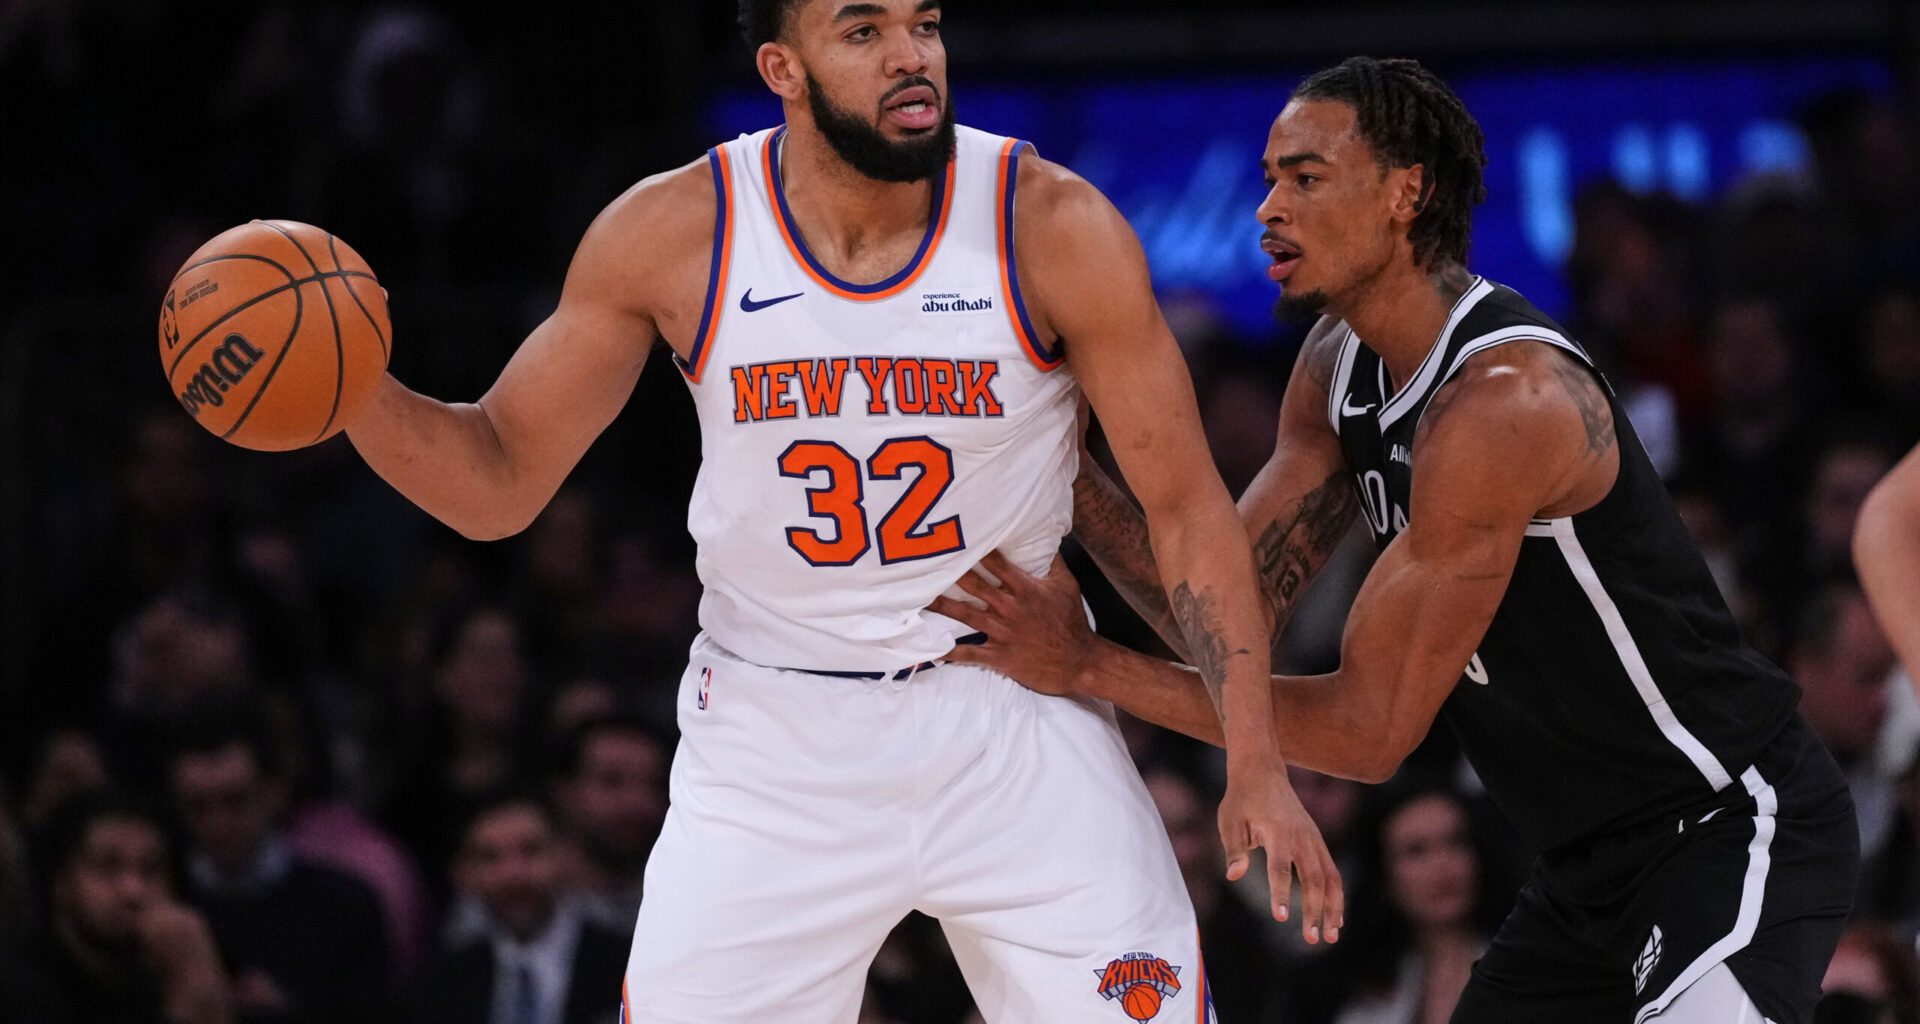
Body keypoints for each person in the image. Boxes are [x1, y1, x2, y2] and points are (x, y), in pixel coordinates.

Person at [330, 0, 1339, 1018]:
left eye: (927, 24)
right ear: (783, 67)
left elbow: (1188, 511)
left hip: (1009, 707)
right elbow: (499, 479)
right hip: (775, 731)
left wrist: (1252, 759)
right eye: (863, 32)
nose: (911, 57)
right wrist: (352, 393)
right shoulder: (676, 231)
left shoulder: (1052, 223)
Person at [936, 56, 1860, 1022]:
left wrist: (1087, 666)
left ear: (1404, 192)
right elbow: (1214, 618)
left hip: (1724, 820)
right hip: (1582, 868)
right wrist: (1063, 464)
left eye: (1305, 177)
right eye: (1267, 180)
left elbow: (1371, 733)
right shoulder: (1333, 367)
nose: (1267, 209)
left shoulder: (1505, 406)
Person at [166, 699, 394, 1022]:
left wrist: (286, 1014)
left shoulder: (344, 905)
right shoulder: (164, 903)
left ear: (276, 791)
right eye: (198, 806)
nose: (217, 824)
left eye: (235, 801)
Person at [0, 790, 232, 1024]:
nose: (133, 890)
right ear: (61, 881)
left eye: (151, 869)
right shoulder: (17, 989)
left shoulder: (175, 967)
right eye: (107, 866)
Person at [412, 791, 628, 1024]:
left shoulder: (625, 966)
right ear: (463, 873)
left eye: (530, 850)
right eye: (490, 857)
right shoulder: (443, 983)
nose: (513, 875)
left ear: (565, 854)